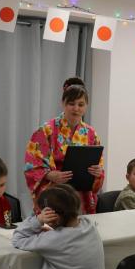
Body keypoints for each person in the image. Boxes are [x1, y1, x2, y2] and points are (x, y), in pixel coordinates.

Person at [25, 83, 104, 214]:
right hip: (55, 192)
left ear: (86, 106)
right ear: (63, 103)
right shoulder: (46, 130)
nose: (76, 108)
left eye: (81, 104)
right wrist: (50, 175)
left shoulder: (91, 133)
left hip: (81, 195)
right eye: (71, 103)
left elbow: (98, 166)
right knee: (54, 225)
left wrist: (97, 172)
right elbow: (32, 165)